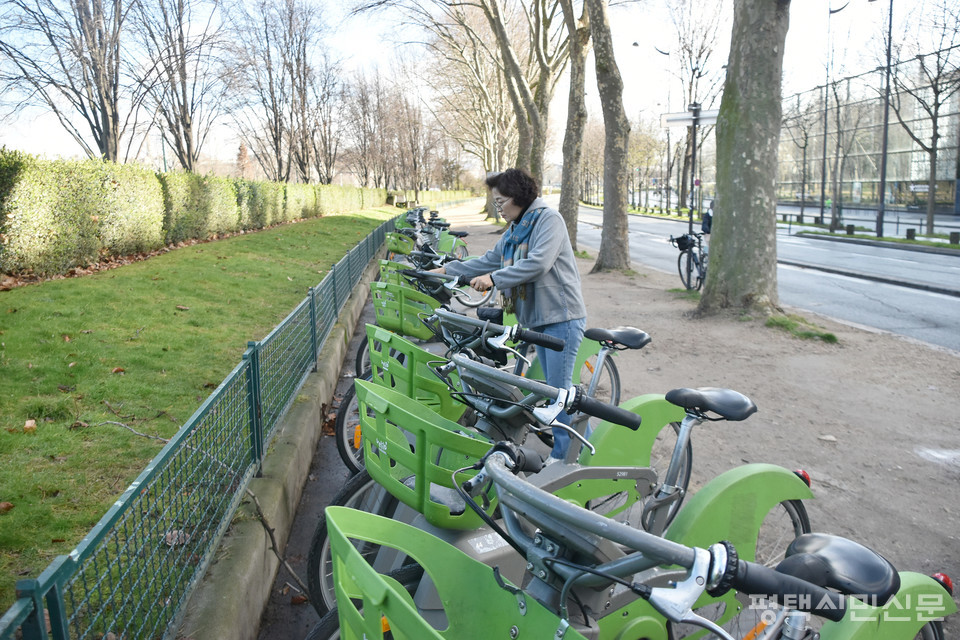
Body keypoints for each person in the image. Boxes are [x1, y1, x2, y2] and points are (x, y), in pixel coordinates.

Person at [433, 168, 587, 461]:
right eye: (495, 201)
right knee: (556, 391)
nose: (498, 207)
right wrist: (445, 271)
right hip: (538, 319)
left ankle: (565, 458)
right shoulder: (516, 228)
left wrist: (495, 279)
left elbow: (538, 263)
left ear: (519, 196)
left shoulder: (548, 220)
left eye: (501, 201)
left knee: (560, 395)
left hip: (561, 318)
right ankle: (585, 449)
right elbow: (489, 259)